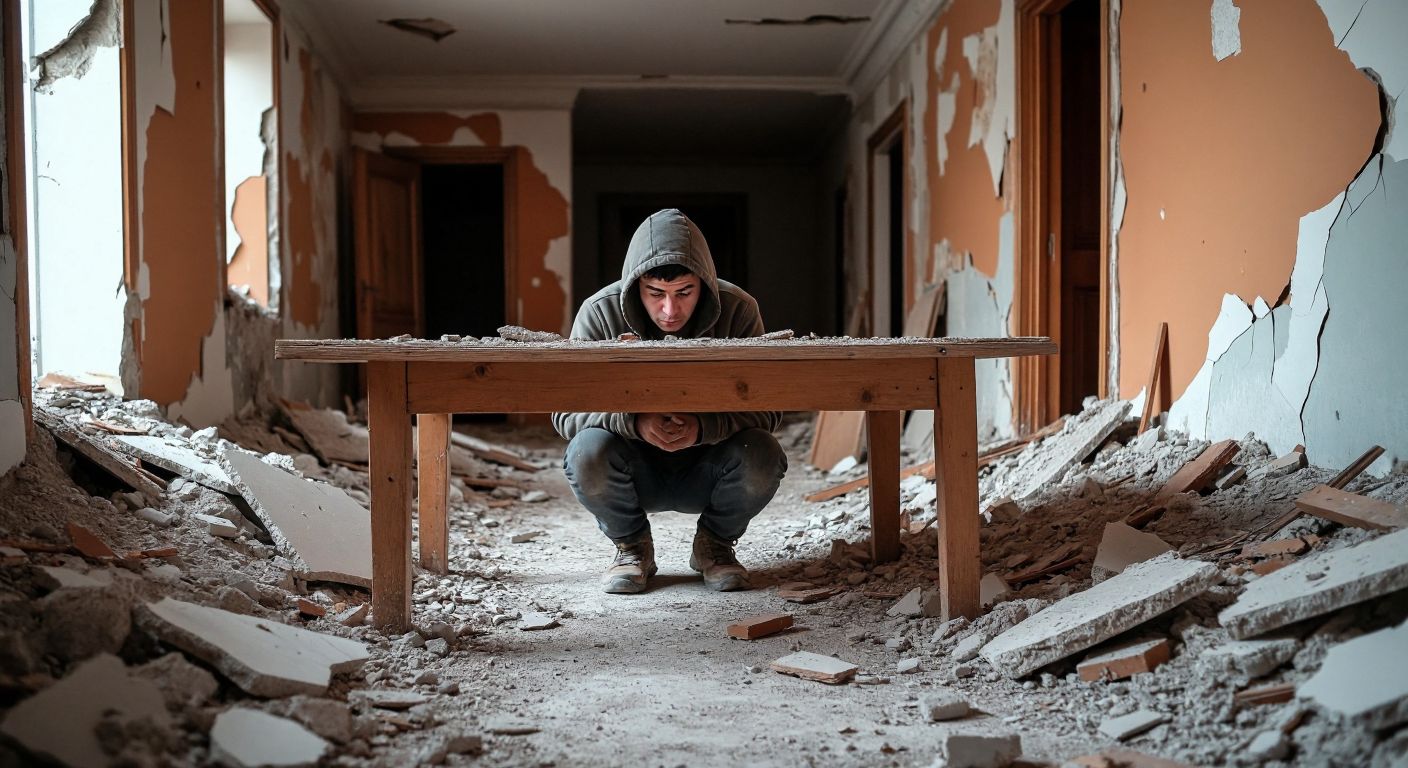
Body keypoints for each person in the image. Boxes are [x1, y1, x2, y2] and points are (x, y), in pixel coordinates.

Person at [552, 209, 787, 594]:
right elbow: (565, 411)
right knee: (585, 452)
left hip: (712, 466)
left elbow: (770, 407)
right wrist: (634, 422)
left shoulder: (740, 310)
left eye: (684, 293)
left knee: (763, 451)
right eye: (655, 294)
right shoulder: (599, 313)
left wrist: (703, 428)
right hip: (631, 465)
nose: (669, 311)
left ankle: (715, 545)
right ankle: (632, 547)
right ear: (635, 286)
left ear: (705, 285)